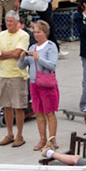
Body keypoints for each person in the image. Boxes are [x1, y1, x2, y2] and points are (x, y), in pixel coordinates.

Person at [0, 9, 32, 148]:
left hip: (18, 75)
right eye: (7, 21)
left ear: (17, 22)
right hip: (4, 74)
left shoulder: (24, 35)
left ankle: (19, 135)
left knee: (19, 107)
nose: (8, 23)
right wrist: (6, 54)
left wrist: (2, 53)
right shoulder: (1, 35)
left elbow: (17, 53)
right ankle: (9, 134)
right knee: (6, 106)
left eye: (11, 21)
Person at [26, 19, 62, 153]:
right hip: (34, 83)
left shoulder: (51, 46)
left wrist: (38, 58)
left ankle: (52, 139)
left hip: (46, 84)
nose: (36, 34)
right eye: (34, 32)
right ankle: (42, 139)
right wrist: (21, 58)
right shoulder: (32, 47)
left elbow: (52, 65)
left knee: (49, 112)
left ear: (45, 32)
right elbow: (23, 65)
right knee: (38, 112)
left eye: (38, 32)